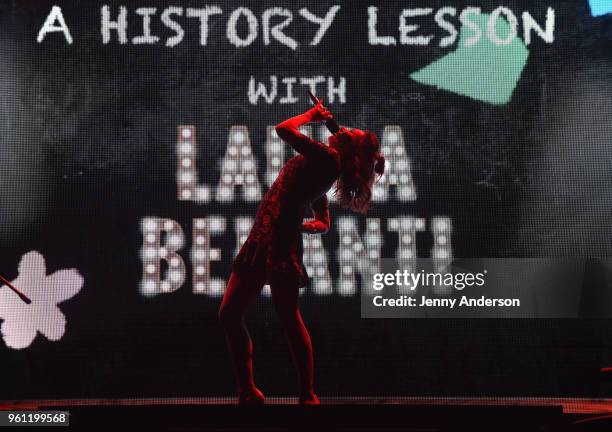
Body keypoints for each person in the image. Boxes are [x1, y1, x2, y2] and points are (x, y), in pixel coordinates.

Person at [218, 100, 386, 404]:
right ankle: (248, 390)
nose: (343, 129)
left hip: (278, 241)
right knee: (231, 314)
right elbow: (320, 213)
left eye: (351, 132)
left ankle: (306, 393)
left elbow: (283, 129)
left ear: (351, 148)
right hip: (263, 236)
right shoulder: (327, 162)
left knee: (285, 317)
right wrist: (309, 222)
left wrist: (312, 115)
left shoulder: (329, 159)